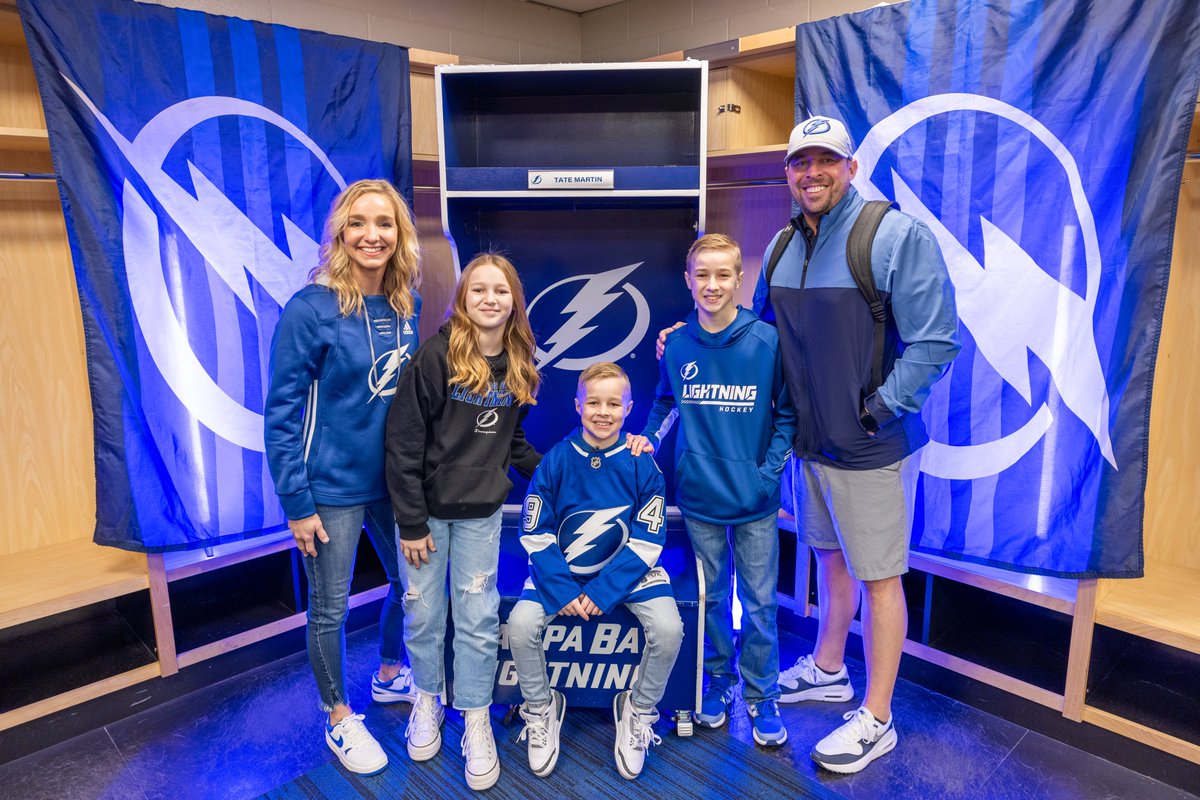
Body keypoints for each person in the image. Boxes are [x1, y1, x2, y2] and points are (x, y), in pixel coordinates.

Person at [756, 116, 960, 773]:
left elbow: (935, 341)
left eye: (825, 161)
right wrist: (694, 334)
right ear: (787, 172)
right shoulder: (781, 246)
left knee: (879, 577)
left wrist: (877, 410)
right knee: (829, 562)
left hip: (873, 448)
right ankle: (828, 668)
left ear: (848, 167)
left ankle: (876, 716)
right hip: (810, 447)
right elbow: (759, 332)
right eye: (799, 163)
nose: (810, 173)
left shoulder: (894, 235)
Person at [265, 178, 422, 776]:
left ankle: (388, 673)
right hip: (328, 489)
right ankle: (338, 718)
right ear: (340, 233)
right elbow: (281, 413)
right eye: (359, 223)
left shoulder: (406, 302)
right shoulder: (310, 309)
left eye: (384, 223)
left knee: (413, 588)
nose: (372, 235)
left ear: (399, 234)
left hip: (395, 484)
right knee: (329, 608)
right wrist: (296, 501)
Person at [627, 233, 794, 747]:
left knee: (760, 602)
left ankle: (763, 696)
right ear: (688, 280)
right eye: (703, 274)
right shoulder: (675, 345)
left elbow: (787, 417)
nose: (713, 284)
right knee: (713, 597)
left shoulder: (766, 342)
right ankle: (718, 683)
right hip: (698, 498)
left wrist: (765, 476)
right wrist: (647, 440)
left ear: (740, 280)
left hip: (755, 502)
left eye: (723, 274)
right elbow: (664, 402)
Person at [384, 252, 542, 792]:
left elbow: (511, 442)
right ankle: (427, 698)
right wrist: (409, 522)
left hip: (482, 513)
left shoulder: (520, 360)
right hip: (424, 515)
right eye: (478, 290)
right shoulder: (435, 357)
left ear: (513, 300)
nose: (490, 299)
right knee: (424, 613)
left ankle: (474, 716)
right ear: (463, 298)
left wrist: (559, 476)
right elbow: (403, 443)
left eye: (500, 290)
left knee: (476, 619)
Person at [509, 362, 682, 781]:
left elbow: (646, 538)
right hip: (566, 574)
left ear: (628, 408)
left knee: (669, 629)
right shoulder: (556, 461)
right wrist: (563, 588)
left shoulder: (643, 463)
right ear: (577, 405)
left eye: (613, 404)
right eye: (593, 403)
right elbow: (535, 529)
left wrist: (604, 590)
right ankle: (541, 707)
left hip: (628, 576)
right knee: (519, 624)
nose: (602, 412)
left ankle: (638, 710)